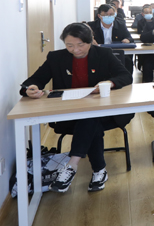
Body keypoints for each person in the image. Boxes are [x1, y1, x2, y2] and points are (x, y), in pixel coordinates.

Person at [20, 23, 132, 193]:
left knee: (90, 117)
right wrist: (29, 89)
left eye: (81, 45)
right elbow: (33, 81)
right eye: (70, 45)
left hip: (105, 113)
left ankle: (72, 166)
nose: (76, 50)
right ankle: (99, 171)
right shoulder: (56, 58)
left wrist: (109, 83)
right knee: (91, 121)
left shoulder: (104, 54)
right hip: (69, 115)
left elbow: (125, 76)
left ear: (91, 41)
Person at [87, 4, 134, 75]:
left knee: (127, 60)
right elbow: (84, 38)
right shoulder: (91, 26)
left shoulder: (120, 24)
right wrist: (90, 40)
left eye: (111, 14)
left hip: (116, 52)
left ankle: (126, 78)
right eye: (106, 15)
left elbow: (130, 37)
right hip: (99, 52)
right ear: (99, 16)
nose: (109, 16)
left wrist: (127, 39)